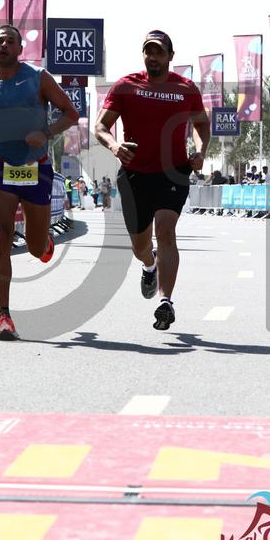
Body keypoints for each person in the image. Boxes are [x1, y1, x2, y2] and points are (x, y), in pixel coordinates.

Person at [0, 24, 78, 340]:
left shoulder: (38, 78)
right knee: (2, 235)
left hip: (35, 167)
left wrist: (46, 132)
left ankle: (44, 242)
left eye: (10, 41)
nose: (4, 45)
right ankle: (4, 316)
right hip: (1, 167)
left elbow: (71, 113)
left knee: (36, 248)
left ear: (20, 49)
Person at [95, 29, 210, 331]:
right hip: (135, 174)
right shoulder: (126, 86)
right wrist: (114, 146)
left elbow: (201, 124)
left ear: (171, 56)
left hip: (173, 172)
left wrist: (200, 151)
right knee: (140, 246)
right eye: (149, 51)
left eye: (159, 51)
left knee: (166, 231)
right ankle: (150, 265)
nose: (153, 56)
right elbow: (101, 126)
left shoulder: (186, 89)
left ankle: (166, 301)